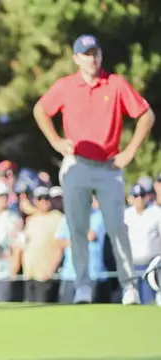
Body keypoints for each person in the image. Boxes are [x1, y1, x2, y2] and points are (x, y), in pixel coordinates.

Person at [33, 34, 156, 305]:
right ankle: (83, 286)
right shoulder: (66, 86)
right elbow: (40, 109)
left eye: (95, 53)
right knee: (78, 227)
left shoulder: (115, 84)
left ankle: (129, 286)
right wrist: (55, 141)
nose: (93, 58)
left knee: (115, 226)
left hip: (109, 166)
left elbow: (146, 114)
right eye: (86, 54)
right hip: (76, 164)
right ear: (76, 58)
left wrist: (130, 152)